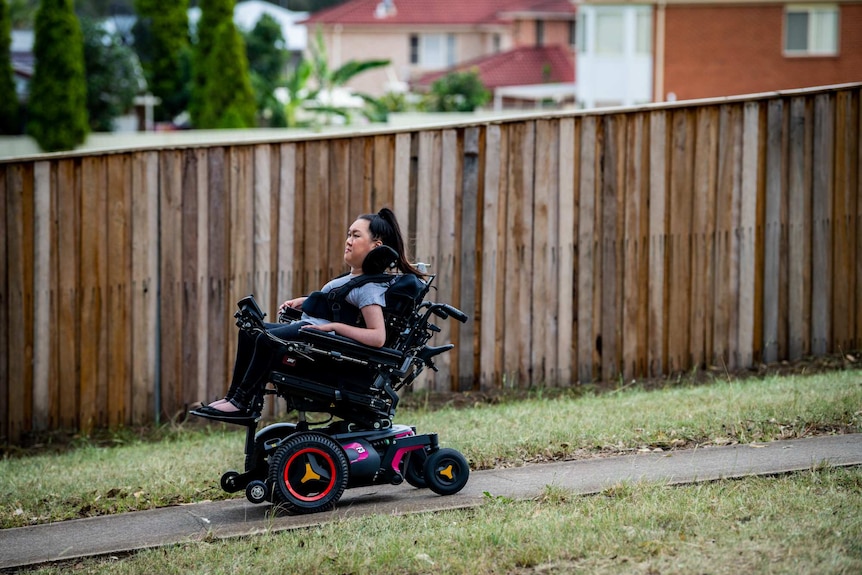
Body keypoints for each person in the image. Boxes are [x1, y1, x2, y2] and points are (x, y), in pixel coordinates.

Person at [193, 208, 422, 421]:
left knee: (264, 339)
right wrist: (306, 301)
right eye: (348, 234)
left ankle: (243, 402)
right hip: (312, 332)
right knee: (249, 331)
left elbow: (377, 336)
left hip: (319, 342)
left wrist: (331, 328)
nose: (348, 241)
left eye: (356, 235)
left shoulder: (369, 289)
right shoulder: (356, 279)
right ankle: (234, 398)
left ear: (375, 246)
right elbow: (338, 303)